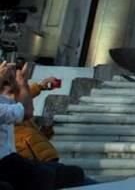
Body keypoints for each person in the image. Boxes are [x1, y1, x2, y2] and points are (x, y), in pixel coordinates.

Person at [1, 62, 86, 190]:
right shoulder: (9, 107)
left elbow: (20, 100)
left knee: (75, 174)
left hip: (39, 157)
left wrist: (38, 85)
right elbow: (25, 109)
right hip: (28, 162)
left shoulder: (10, 102)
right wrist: (22, 82)